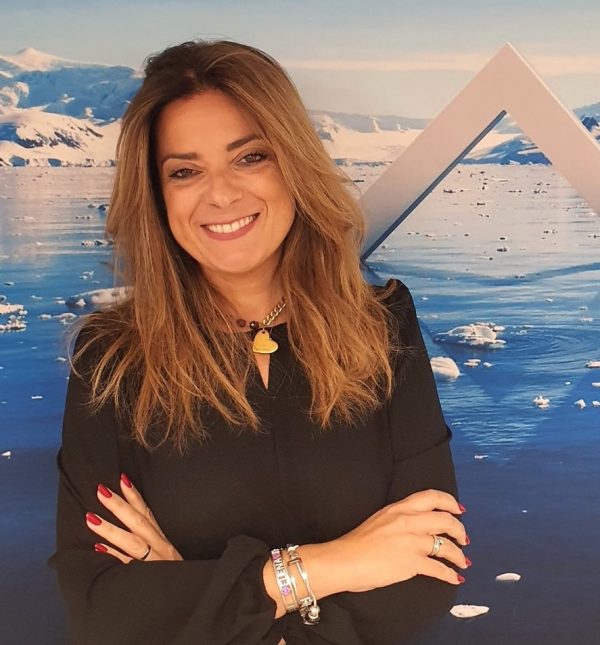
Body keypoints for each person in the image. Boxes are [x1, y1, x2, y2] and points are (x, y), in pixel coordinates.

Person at [48, 39, 469, 645]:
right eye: (185, 171)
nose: (220, 194)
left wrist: (195, 599)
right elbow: (102, 607)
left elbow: (430, 569)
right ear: (157, 195)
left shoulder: (383, 326)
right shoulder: (111, 361)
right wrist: (331, 565)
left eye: (250, 158)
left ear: (293, 164)